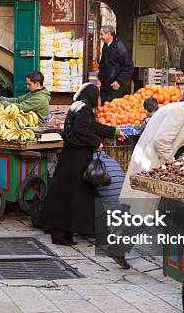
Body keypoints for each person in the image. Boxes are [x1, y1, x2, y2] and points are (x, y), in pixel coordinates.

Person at [37, 83, 126, 246]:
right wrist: (96, 142)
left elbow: (92, 126)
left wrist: (115, 132)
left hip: (70, 159)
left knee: (71, 197)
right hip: (77, 161)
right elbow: (81, 128)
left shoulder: (76, 106)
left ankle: (66, 235)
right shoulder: (84, 110)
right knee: (80, 197)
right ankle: (96, 233)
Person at [120, 78, 184, 210]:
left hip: (153, 163)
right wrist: (175, 165)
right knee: (139, 214)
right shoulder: (180, 112)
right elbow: (161, 141)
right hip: (150, 163)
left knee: (140, 214)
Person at [98, 25, 134, 104]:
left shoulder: (120, 47)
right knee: (104, 108)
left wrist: (119, 81)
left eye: (102, 34)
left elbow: (129, 67)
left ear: (109, 34)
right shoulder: (105, 45)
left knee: (112, 109)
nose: (100, 37)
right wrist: (101, 76)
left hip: (115, 85)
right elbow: (103, 63)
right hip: (105, 84)